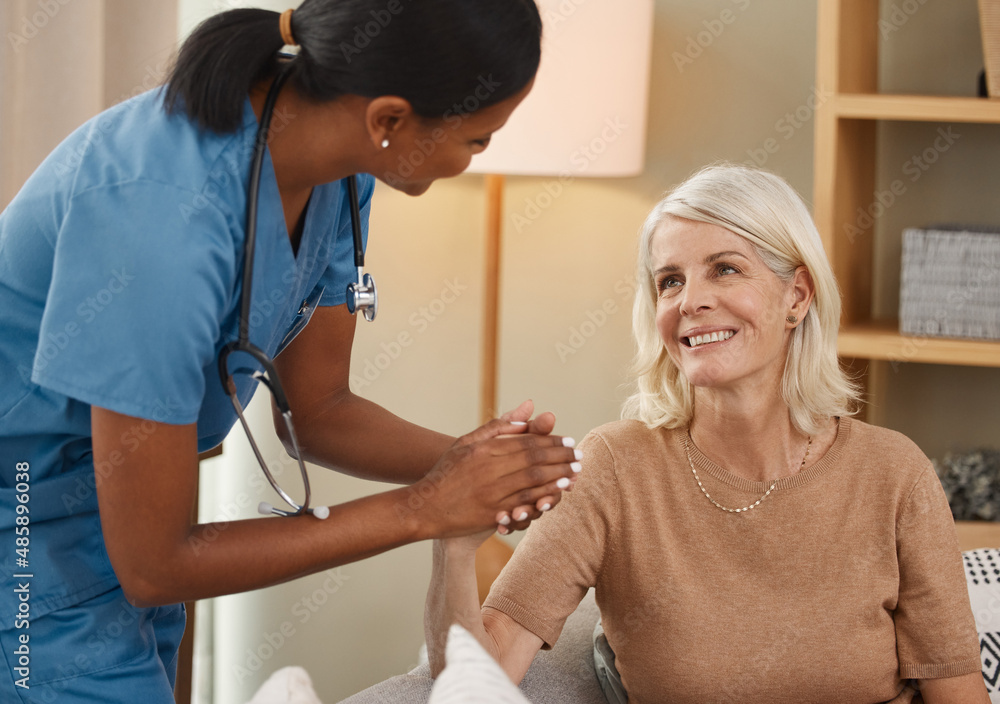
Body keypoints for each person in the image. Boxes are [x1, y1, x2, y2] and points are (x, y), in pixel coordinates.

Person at [0, 2, 580, 701]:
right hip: (27, 531)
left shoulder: (341, 172)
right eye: (478, 140)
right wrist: (426, 506)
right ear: (390, 119)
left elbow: (318, 410)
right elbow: (155, 565)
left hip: (119, 524)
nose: (473, 158)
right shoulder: (158, 224)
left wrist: (479, 465)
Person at [426, 164, 989, 703]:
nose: (690, 301)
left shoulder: (894, 473)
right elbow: (479, 676)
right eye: (670, 281)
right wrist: (453, 542)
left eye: (725, 268)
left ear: (797, 296)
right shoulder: (616, 467)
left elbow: (957, 693)